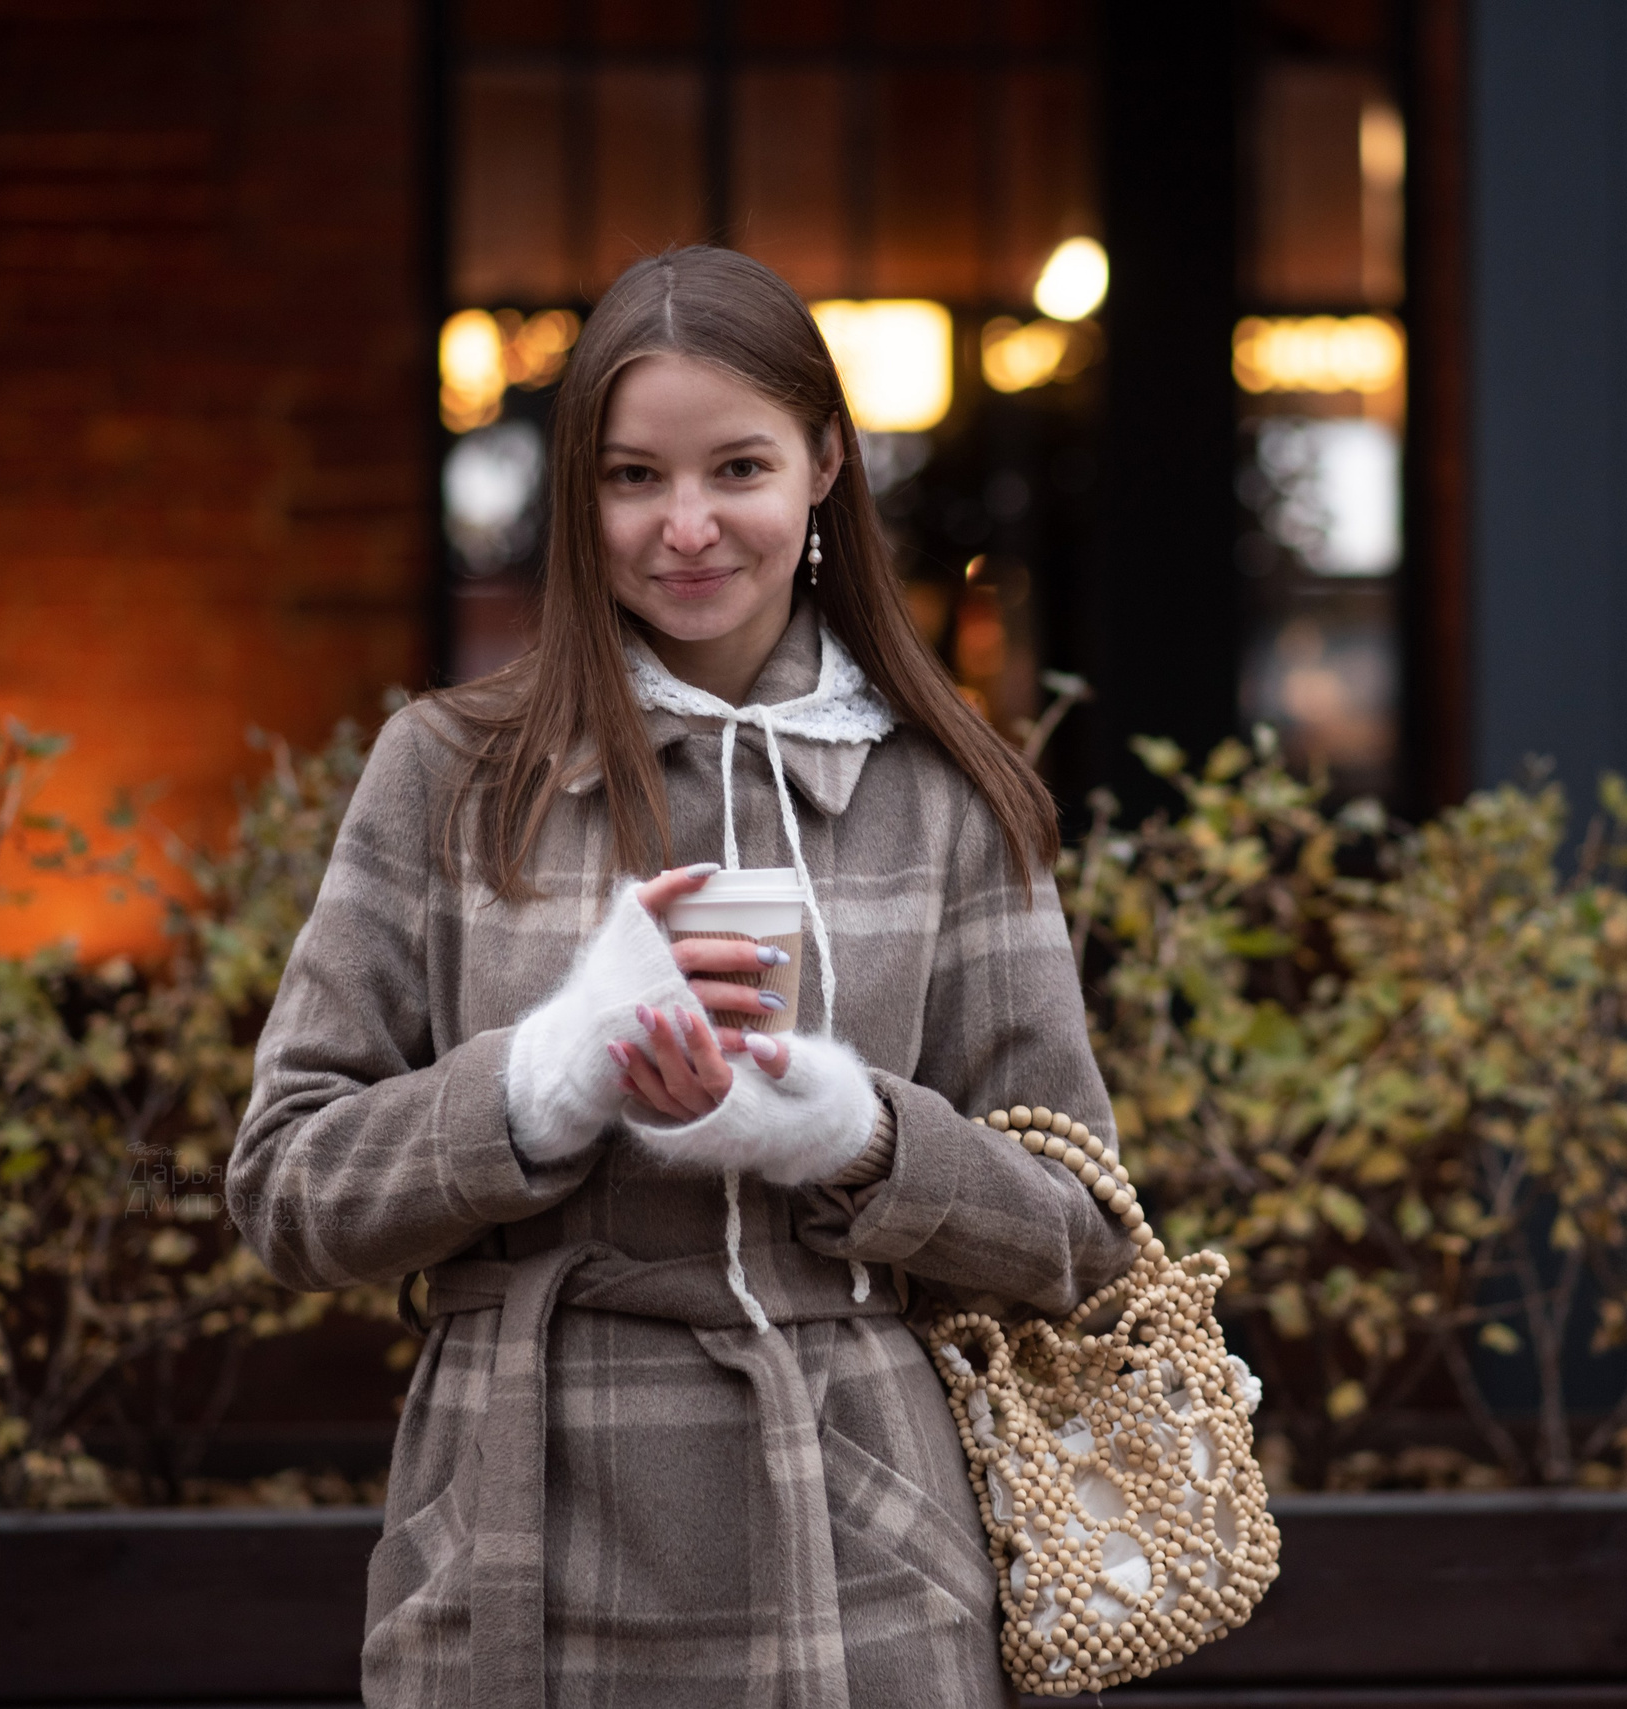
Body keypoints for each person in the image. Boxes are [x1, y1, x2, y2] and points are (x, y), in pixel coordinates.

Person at [229, 244, 1132, 1709]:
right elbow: (283, 1189)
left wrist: (853, 1134)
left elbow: (1081, 1233)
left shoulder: (950, 791)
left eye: (740, 468)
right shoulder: (450, 774)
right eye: (635, 477)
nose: (687, 526)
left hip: (867, 1554)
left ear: (827, 463)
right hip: (522, 1538)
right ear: (580, 494)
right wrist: (541, 1080)